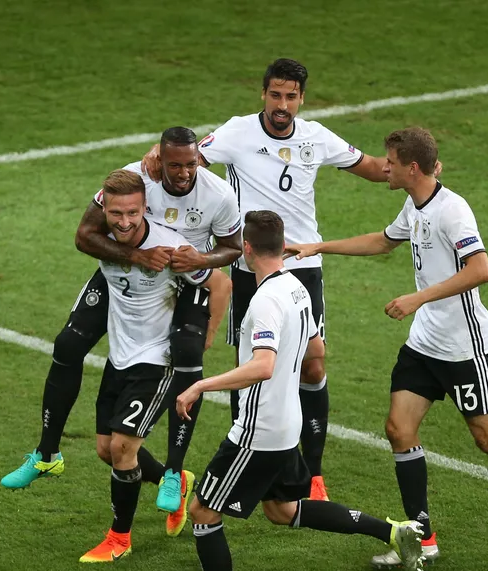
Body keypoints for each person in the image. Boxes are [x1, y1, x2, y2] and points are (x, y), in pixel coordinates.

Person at [287, 127, 488, 569]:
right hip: (424, 344)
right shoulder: (414, 204)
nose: (384, 168)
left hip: (463, 348)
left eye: (391, 162)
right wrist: (320, 246)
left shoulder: (452, 211)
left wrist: (418, 298)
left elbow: (481, 270)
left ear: (413, 168)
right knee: (399, 429)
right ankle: (424, 538)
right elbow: (384, 241)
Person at [144, 58, 398, 502]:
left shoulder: (316, 137)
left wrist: (414, 171)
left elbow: (375, 167)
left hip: (302, 265)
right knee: (250, 368)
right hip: (251, 268)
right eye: (275, 95)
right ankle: (245, 461)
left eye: (291, 97)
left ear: (302, 98)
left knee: (313, 363)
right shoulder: (238, 132)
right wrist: (153, 156)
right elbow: (187, 161)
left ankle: (313, 475)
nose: (282, 105)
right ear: (263, 94)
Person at [173, 211, 423, 571]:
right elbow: (316, 348)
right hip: (289, 424)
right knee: (281, 510)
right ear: (281, 244)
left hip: (259, 431)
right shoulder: (296, 289)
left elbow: (263, 366)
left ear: (247, 249)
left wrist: (200, 386)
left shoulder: (266, 300)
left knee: (202, 511)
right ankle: (393, 532)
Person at [3, 127, 238, 534]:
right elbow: (85, 235)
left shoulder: (217, 194)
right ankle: (46, 454)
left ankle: (173, 472)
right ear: (158, 161)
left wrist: (201, 263)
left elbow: (231, 252)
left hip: (183, 273)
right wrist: (136, 256)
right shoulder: (136, 177)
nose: (183, 173)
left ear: (200, 158)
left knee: (186, 354)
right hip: (132, 267)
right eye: (174, 164)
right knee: (68, 344)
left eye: (191, 164)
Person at [78, 169, 223, 562]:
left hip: (157, 360)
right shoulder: (102, 240)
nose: (124, 222)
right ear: (104, 211)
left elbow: (220, 284)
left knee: (123, 448)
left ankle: (119, 539)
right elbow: (82, 238)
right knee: (106, 450)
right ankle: (175, 482)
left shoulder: (170, 249)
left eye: (132, 213)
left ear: (145, 208)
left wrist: (205, 337)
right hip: (119, 356)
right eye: (116, 214)